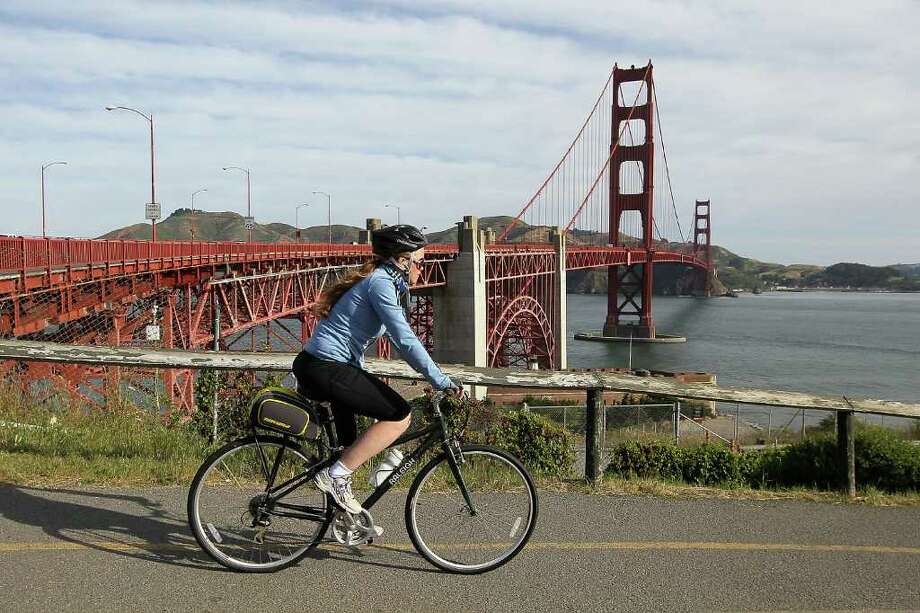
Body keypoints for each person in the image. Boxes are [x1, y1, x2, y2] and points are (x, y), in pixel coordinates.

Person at [292, 224, 464, 515]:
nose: (422, 270)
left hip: (325, 366)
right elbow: (404, 340)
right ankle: (335, 477)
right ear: (402, 260)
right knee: (399, 414)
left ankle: (343, 518)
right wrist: (441, 380)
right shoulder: (381, 284)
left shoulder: (383, 282)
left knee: (348, 449)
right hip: (325, 367)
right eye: (420, 262)